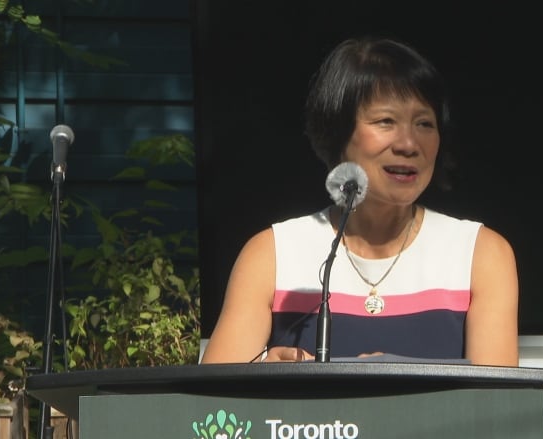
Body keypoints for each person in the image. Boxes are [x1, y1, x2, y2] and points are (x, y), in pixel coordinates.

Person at [201, 36, 519, 367]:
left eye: (425, 123)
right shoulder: (272, 254)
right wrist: (264, 371)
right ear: (338, 133)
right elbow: (210, 411)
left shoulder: (480, 254)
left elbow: (498, 407)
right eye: (386, 122)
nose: (409, 144)